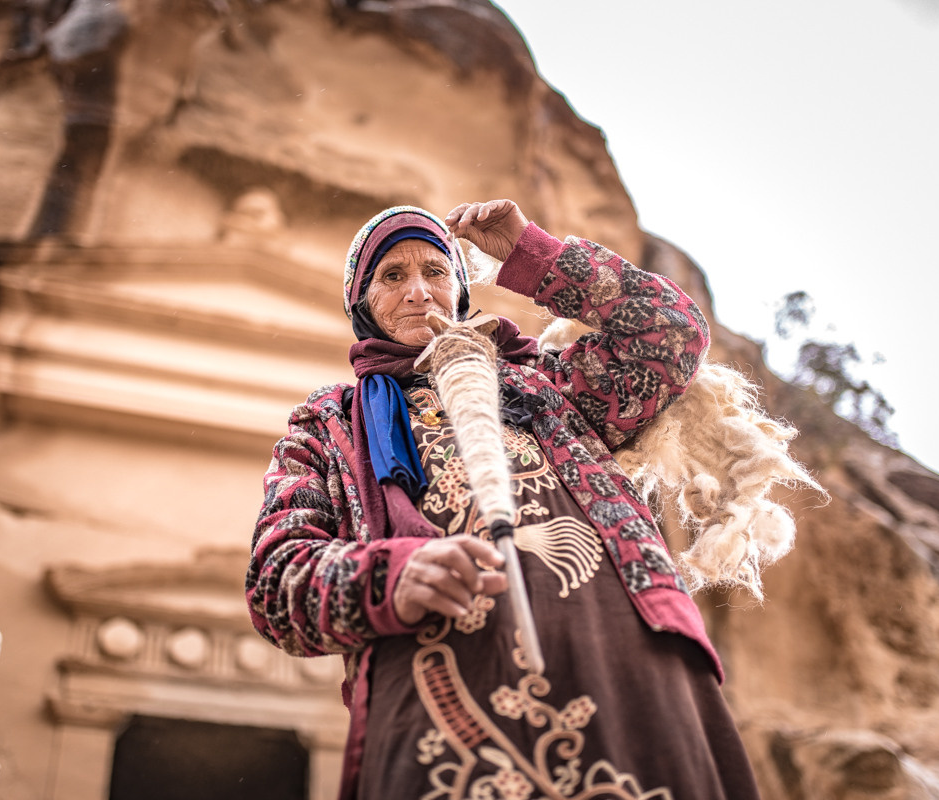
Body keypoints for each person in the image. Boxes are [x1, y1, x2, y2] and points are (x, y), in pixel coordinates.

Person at [246, 199, 763, 799]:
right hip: (446, 691)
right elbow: (275, 581)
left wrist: (532, 254)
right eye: (392, 275)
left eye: (435, 271)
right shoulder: (330, 424)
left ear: (460, 289)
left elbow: (671, 332)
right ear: (362, 304)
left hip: (620, 656)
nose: (419, 292)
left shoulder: (551, 383)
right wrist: (389, 577)